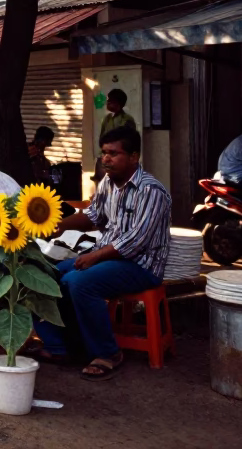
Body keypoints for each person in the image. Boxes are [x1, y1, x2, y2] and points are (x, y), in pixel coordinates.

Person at [34, 126, 170, 381]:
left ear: (134, 156)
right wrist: (58, 226)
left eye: (114, 154)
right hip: (110, 258)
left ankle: (107, 353)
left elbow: (136, 241)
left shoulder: (151, 191)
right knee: (43, 274)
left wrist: (95, 256)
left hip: (141, 266)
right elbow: (93, 216)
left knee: (80, 282)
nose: (106, 159)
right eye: (104, 153)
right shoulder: (108, 183)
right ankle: (61, 346)